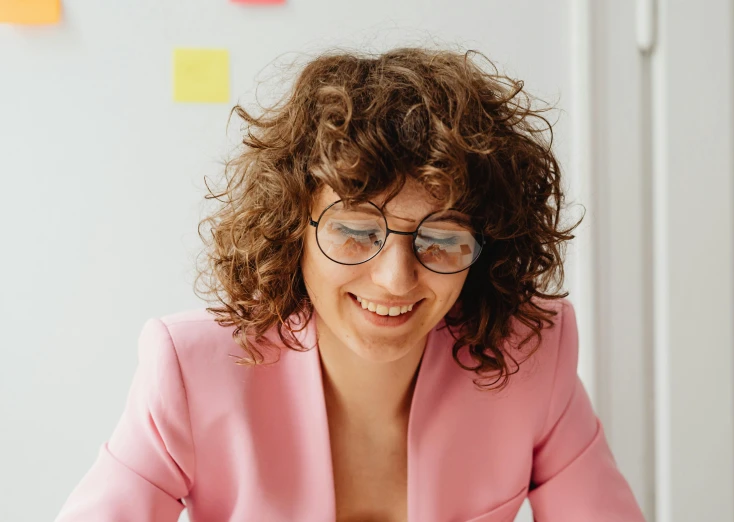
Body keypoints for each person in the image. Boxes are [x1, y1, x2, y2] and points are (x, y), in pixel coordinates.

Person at [55, 46, 646, 522]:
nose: (396, 278)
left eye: (441, 238)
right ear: (294, 228)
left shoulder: (531, 356)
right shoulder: (192, 368)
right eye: (358, 231)